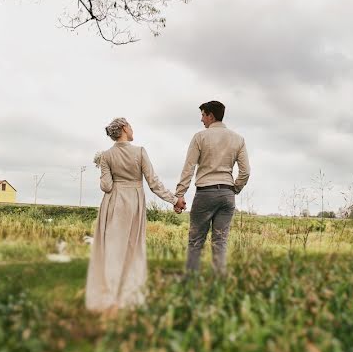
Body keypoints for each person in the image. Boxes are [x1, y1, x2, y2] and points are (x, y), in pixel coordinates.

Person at [85, 117, 179, 311]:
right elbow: (153, 183)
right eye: (130, 126)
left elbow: (106, 186)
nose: (132, 129)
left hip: (113, 204)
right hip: (134, 203)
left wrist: (105, 172)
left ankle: (109, 294)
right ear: (124, 128)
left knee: (112, 249)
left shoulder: (106, 156)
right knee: (132, 248)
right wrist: (174, 200)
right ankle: (128, 296)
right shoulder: (140, 152)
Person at [174, 100, 250, 275]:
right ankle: (219, 285)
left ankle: (190, 282)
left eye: (203, 115)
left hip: (205, 194)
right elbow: (245, 171)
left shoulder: (200, 137)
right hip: (226, 195)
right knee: (220, 241)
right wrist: (234, 189)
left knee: (195, 241)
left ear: (210, 116)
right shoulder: (238, 139)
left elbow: (189, 167)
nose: (201, 120)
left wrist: (179, 195)